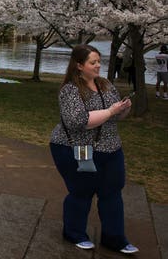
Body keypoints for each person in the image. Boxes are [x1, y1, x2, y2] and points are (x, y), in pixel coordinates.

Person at [49, 44, 138, 254]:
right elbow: (77, 121)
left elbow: (115, 116)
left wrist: (123, 110)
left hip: (111, 149)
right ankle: (74, 232)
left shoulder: (106, 84)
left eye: (99, 61)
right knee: (81, 191)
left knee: (112, 193)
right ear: (79, 65)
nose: (98, 66)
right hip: (80, 148)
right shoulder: (70, 90)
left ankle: (115, 238)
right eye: (93, 62)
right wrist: (110, 111)